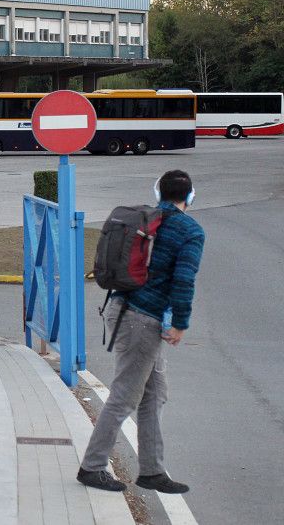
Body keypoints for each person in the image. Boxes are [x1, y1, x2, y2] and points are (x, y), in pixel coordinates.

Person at [77, 170, 205, 495]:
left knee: (155, 392)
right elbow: (184, 279)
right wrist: (181, 322)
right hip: (141, 320)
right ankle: (92, 467)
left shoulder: (147, 219)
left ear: (159, 192)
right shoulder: (190, 230)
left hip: (124, 310)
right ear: (190, 196)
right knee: (124, 396)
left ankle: (151, 470)